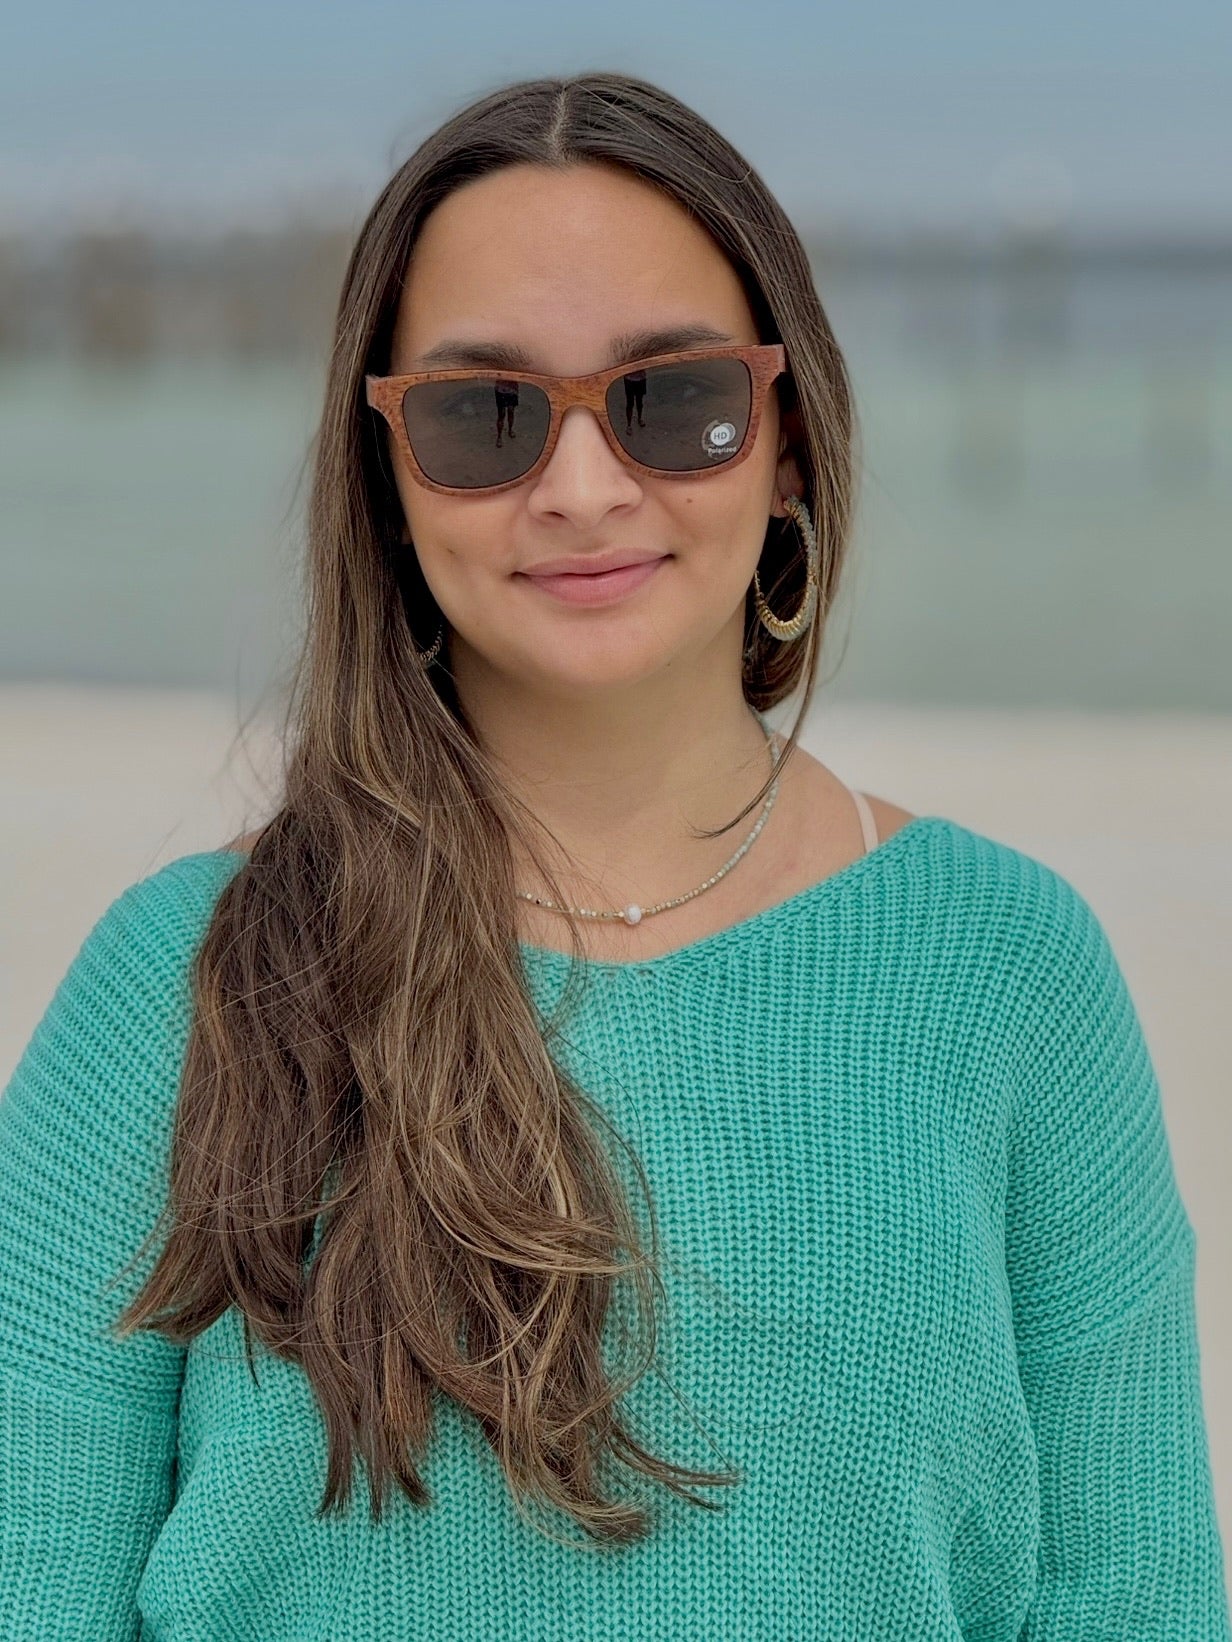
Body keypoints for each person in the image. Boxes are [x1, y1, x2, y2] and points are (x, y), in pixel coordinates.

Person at [1, 70, 1229, 1642]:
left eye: (673, 400)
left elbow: (1135, 1596)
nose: (583, 489)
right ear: (386, 472)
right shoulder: (178, 982)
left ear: (789, 441)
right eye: (484, 417)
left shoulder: (1012, 968)